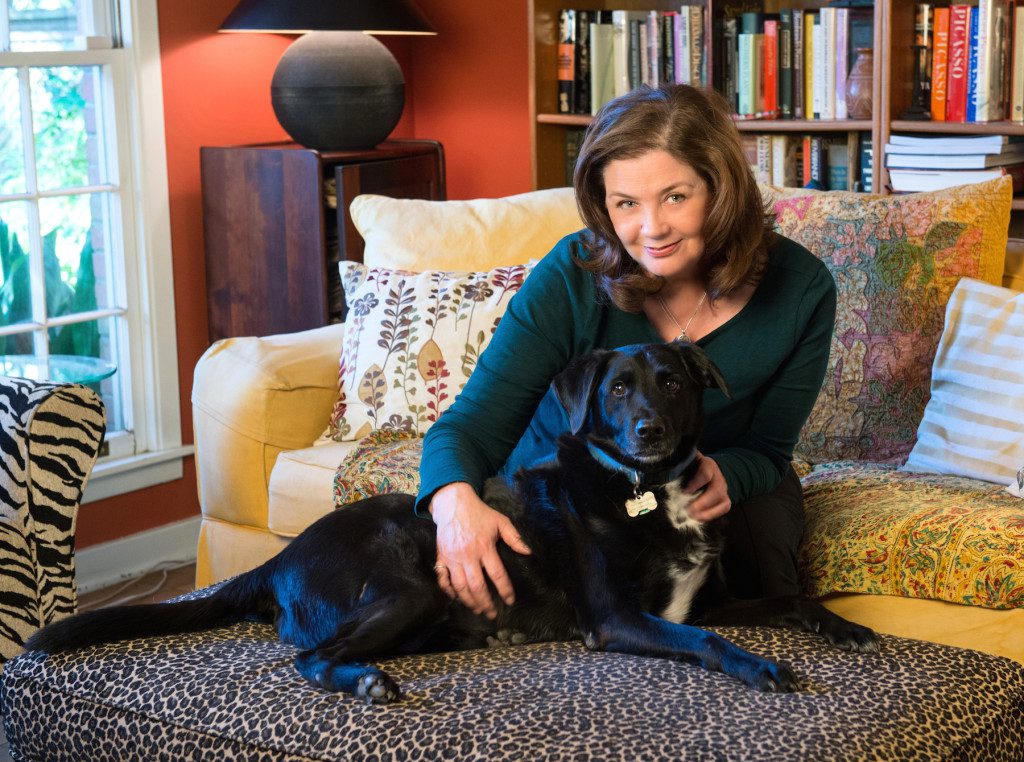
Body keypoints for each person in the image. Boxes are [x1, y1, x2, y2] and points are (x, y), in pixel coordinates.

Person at [416, 84, 836, 621]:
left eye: (676, 197)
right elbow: (469, 426)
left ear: (721, 189)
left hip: (705, 480)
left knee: (765, 595)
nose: (651, 228)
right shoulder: (571, 275)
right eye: (626, 204)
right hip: (575, 489)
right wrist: (452, 504)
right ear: (603, 205)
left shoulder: (801, 288)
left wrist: (729, 475)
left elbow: (768, 450)